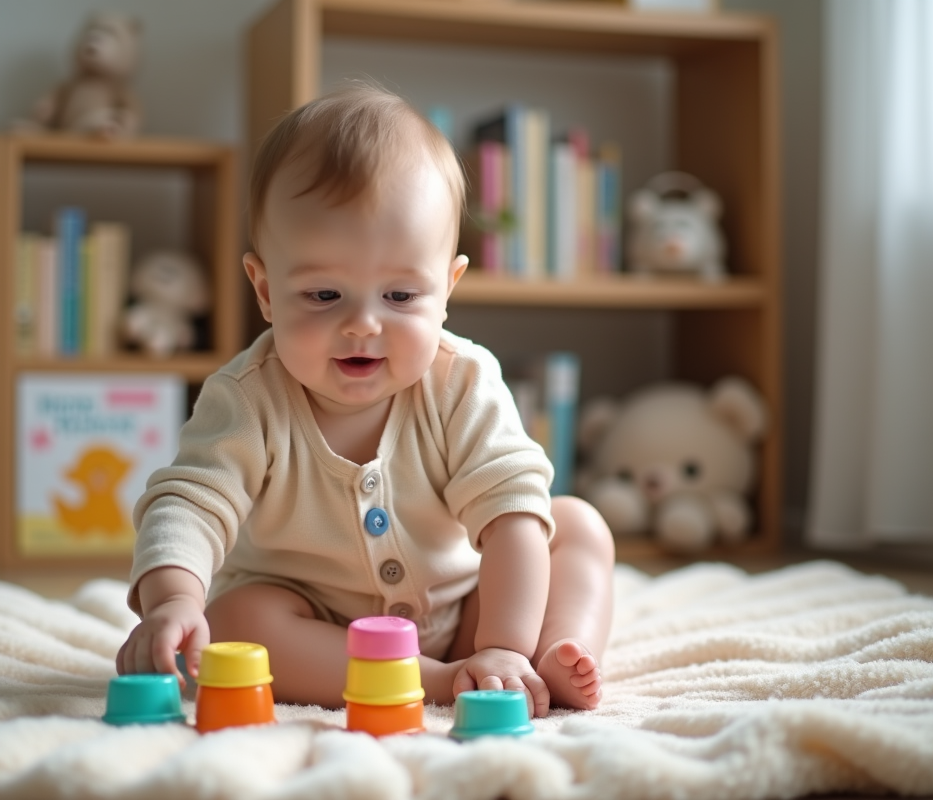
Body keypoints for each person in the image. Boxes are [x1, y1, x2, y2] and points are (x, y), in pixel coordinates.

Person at [116, 83, 615, 717]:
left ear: (448, 288)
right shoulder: (247, 399)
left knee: (573, 525)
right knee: (238, 619)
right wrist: (173, 602)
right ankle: (434, 681)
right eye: (324, 296)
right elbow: (191, 503)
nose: (363, 325)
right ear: (266, 291)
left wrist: (502, 645)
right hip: (319, 629)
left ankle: (548, 656)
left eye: (401, 297)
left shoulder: (461, 382)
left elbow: (510, 509)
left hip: (470, 611)